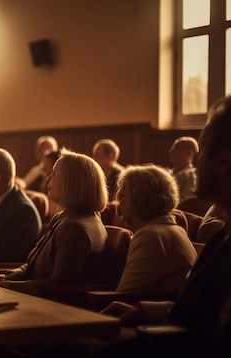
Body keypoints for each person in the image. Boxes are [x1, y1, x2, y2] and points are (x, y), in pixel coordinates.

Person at [97, 95, 231, 357]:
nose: (194, 165)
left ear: (224, 162)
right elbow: (201, 309)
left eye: (201, 153)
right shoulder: (222, 239)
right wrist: (147, 310)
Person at [0, 149, 109, 286]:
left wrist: (10, 286)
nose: (48, 178)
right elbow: (35, 264)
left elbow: (57, 286)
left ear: (73, 181)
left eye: (55, 173)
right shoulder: (64, 218)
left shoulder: (75, 228)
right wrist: (10, 276)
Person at [113, 164, 197, 295]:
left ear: (139, 198)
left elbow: (123, 295)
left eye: (123, 195)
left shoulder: (150, 237)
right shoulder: (174, 230)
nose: (118, 201)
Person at [169, 136, 199, 203]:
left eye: (176, 148)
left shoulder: (191, 175)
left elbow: (187, 201)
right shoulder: (166, 174)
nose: (170, 151)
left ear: (189, 153)